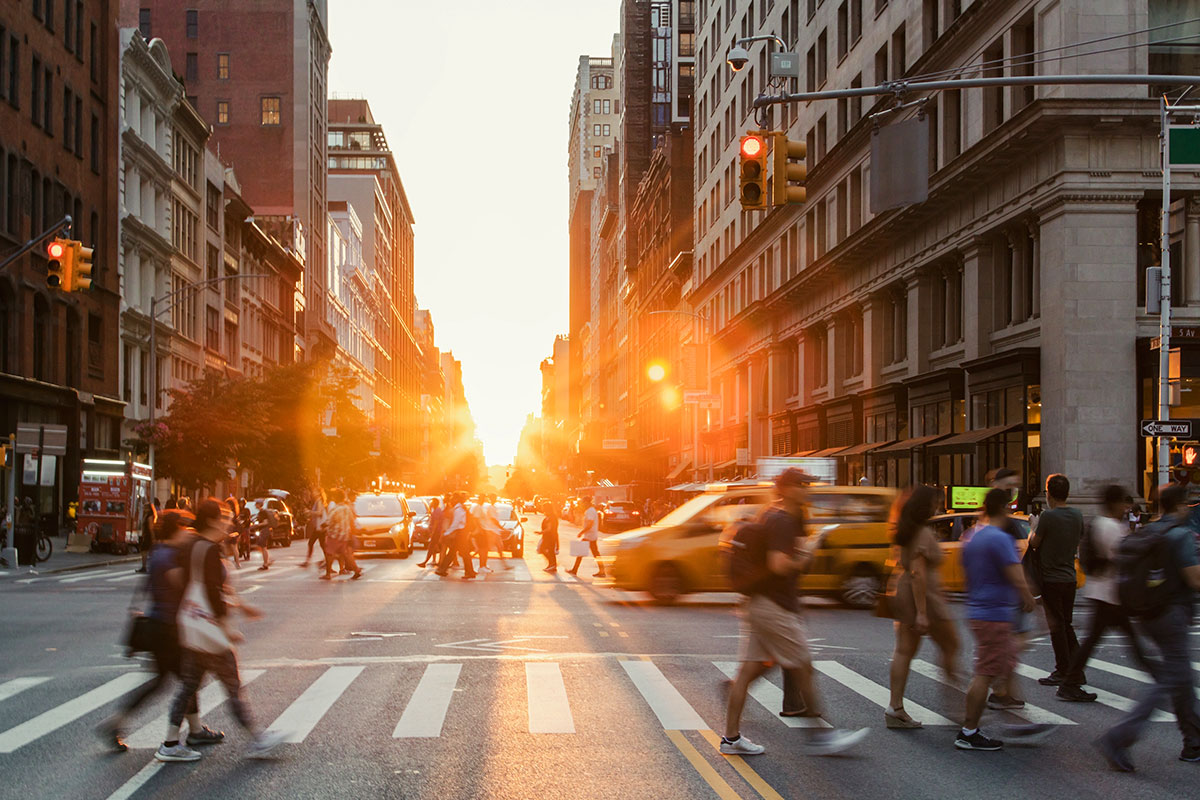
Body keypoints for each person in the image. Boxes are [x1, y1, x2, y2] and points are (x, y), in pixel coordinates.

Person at [721, 469, 867, 756]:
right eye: (803, 485)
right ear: (787, 489)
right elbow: (778, 564)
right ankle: (822, 736)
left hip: (757, 603)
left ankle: (731, 738)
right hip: (774, 606)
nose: (808, 489)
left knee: (748, 673)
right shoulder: (783, 521)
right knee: (803, 666)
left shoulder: (769, 514)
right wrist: (807, 552)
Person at [158, 499, 284, 762]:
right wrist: (226, 626)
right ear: (213, 521)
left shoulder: (191, 544)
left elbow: (185, 581)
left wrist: (239, 605)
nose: (228, 521)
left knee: (189, 685)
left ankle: (170, 742)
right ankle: (258, 739)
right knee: (232, 685)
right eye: (225, 517)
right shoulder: (210, 550)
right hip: (210, 631)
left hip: (192, 626)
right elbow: (213, 593)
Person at [1096, 483, 1200, 771]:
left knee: (1180, 677)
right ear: (1179, 506)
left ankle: (1194, 740)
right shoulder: (1180, 536)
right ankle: (1119, 737)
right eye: (1186, 505)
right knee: (1171, 678)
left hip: (1147, 614)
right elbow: (1195, 580)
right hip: (1172, 614)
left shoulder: (1149, 530)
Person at [102, 510, 222, 752]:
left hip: (164, 626)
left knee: (168, 681)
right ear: (175, 529)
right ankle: (188, 733)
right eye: (184, 528)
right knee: (189, 679)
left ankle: (119, 724)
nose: (188, 532)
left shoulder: (161, 553)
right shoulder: (167, 557)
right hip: (167, 630)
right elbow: (183, 583)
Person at [957, 489, 1045, 751]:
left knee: (1003, 665)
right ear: (1004, 508)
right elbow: (1014, 572)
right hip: (994, 614)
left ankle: (1016, 725)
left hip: (980, 610)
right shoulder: (998, 538)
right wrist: (1028, 598)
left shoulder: (972, 536)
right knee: (985, 672)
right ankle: (968, 731)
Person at [1056, 485, 1149, 702]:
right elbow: (1123, 558)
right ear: (1115, 503)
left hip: (1103, 592)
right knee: (1124, 641)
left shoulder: (1100, 523)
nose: (1126, 508)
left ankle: (1069, 683)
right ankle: (1069, 683)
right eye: (1124, 503)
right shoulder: (1111, 527)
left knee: (1104, 640)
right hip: (1110, 594)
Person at [886, 485, 960, 729]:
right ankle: (960, 705)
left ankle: (895, 707)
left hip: (904, 591)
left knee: (904, 651)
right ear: (926, 505)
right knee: (951, 646)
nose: (938, 507)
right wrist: (922, 613)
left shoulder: (906, 529)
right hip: (924, 598)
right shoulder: (922, 533)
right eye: (936, 503)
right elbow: (919, 574)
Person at [1030, 474, 1089, 698]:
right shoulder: (1077, 515)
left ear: (1049, 493)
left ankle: (1064, 670)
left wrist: (1033, 527)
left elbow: (1035, 543)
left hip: (1051, 579)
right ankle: (1075, 669)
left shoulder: (1048, 517)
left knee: (1057, 627)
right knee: (1067, 625)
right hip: (1069, 577)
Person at [320, 489, 362, 581]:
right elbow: (352, 520)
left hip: (334, 535)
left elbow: (329, 521)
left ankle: (328, 574)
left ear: (335, 498)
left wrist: (323, 526)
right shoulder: (347, 508)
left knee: (329, 554)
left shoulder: (335, 509)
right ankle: (356, 570)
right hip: (345, 535)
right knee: (347, 554)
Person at [436, 493, 476, 580]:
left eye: (453, 498)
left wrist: (447, 533)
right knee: (454, 552)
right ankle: (442, 569)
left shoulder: (459, 510)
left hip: (460, 533)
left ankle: (469, 572)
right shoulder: (460, 508)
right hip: (461, 533)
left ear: (456, 499)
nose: (451, 500)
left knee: (460, 553)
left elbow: (456, 524)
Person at [567, 497, 605, 578]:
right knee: (594, 553)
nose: (582, 504)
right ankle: (602, 571)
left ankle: (574, 570)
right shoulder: (591, 510)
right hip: (590, 535)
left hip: (590, 536)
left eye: (583, 503)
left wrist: (582, 532)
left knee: (583, 553)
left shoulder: (590, 511)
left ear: (587, 502)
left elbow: (590, 524)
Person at [483, 494, 511, 570]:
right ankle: (480, 564)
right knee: (486, 548)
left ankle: (505, 565)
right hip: (492, 531)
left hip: (494, 530)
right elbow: (493, 519)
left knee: (499, 547)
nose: (494, 499)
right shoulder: (491, 508)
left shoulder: (493, 507)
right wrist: (501, 527)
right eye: (493, 498)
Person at [301, 489, 327, 568]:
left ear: (318, 493)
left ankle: (308, 561)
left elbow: (319, 513)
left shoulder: (319, 501)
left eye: (315, 491)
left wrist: (309, 512)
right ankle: (326, 561)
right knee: (321, 545)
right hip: (318, 527)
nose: (313, 493)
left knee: (312, 543)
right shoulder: (317, 501)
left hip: (320, 528)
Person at [418, 497, 444, 568]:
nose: (430, 503)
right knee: (434, 546)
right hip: (436, 531)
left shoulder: (437, 511)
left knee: (431, 546)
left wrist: (433, 532)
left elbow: (436, 522)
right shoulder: (436, 510)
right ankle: (434, 560)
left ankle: (425, 562)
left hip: (436, 532)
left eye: (432, 502)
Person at [136, 501, 158, 574]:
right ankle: (145, 566)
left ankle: (146, 566)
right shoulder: (146, 515)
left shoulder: (149, 516)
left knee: (146, 550)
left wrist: (153, 537)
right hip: (146, 535)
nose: (144, 509)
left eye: (146, 507)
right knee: (145, 551)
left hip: (148, 535)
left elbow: (151, 527)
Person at [252, 504, 274, 571]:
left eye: (256, 504)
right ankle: (267, 561)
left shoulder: (263, 512)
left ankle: (266, 563)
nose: (255, 505)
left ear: (259, 504)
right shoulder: (261, 512)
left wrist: (257, 525)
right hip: (264, 530)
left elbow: (265, 522)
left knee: (263, 546)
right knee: (261, 546)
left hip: (265, 530)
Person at [539, 502, 559, 572]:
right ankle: (552, 564)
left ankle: (553, 564)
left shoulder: (552, 517)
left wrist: (541, 532)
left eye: (543, 507)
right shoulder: (549, 516)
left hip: (550, 537)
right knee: (547, 550)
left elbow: (549, 528)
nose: (542, 509)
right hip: (547, 536)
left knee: (547, 550)